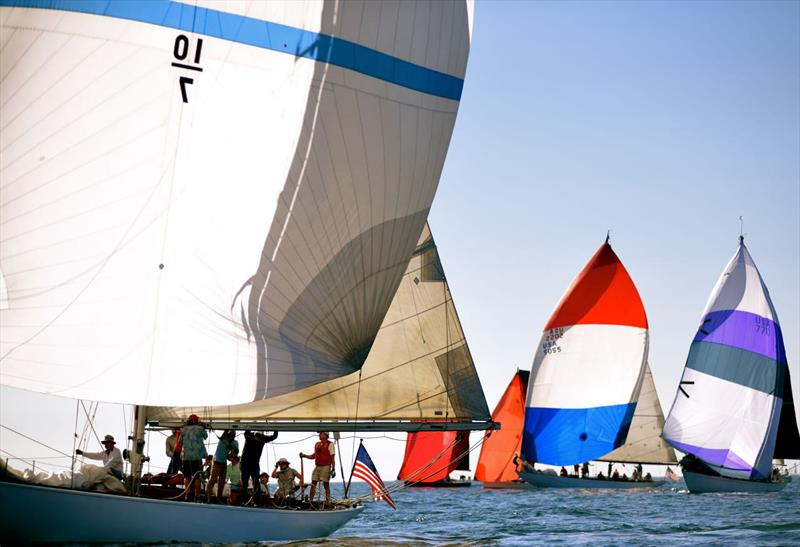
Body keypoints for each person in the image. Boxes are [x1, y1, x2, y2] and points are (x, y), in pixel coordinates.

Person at [240, 430, 278, 506]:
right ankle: (246, 501)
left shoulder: (251, 436)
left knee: (254, 483)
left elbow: (246, 432)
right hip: (247, 463)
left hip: (250, 464)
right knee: (248, 483)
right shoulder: (261, 438)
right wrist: (275, 428)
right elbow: (274, 436)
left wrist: (252, 425)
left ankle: (253, 502)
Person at [300, 432, 335, 503]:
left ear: (326, 435)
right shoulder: (317, 444)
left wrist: (333, 469)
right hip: (317, 466)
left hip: (326, 466)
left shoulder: (330, 444)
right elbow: (314, 456)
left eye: (321, 433)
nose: (319, 435)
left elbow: (332, 458)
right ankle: (311, 501)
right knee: (313, 483)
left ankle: (328, 501)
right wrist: (305, 456)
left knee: (326, 484)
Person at [180, 414, 207, 501]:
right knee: (197, 477)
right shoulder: (200, 428)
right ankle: (197, 496)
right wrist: (202, 426)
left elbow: (180, 442)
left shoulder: (184, 430)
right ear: (196, 421)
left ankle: (187, 495)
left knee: (187, 476)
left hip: (186, 457)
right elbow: (205, 436)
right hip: (197, 457)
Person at [207, 429, 239, 504]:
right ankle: (208, 497)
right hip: (216, 461)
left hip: (223, 462)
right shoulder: (223, 438)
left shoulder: (234, 442)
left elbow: (236, 452)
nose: (230, 436)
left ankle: (219, 498)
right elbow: (226, 429)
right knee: (212, 480)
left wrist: (232, 449)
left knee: (222, 482)